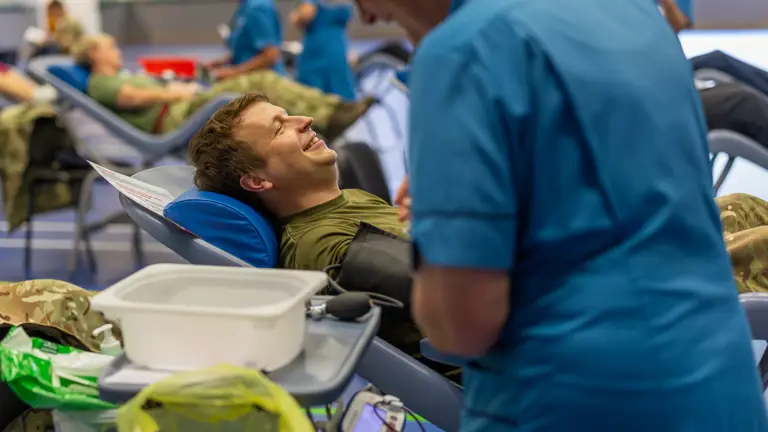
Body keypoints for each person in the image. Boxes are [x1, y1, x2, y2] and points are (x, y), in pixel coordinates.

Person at [357, 0, 766, 431]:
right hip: (719, 380)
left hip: (583, 402)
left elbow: (462, 325)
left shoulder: (465, 51)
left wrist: (433, 227)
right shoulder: (632, 11)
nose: (363, 16)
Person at [187, 92, 459, 380]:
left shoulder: (349, 200)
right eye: (280, 128)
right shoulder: (324, 245)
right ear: (257, 180)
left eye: (290, 114)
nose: (306, 120)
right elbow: (459, 296)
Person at [71, 34, 373, 142]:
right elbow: (132, 97)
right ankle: (329, 113)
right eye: (109, 47)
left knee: (259, 85)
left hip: (184, 104)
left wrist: (179, 87)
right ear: (95, 54)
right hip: (175, 116)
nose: (116, 50)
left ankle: (329, 112)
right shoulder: (102, 83)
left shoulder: (121, 73)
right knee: (260, 81)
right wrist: (177, 92)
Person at [290, 0, 357, 100]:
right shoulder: (346, 4)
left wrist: (298, 13)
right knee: (339, 89)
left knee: (312, 93)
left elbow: (302, 17)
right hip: (339, 48)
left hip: (318, 49)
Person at [203, 0, 286, 80]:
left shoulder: (258, 7)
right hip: (248, 78)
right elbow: (247, 50)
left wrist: (234, 72)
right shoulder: (245, 7)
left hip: (263, 82)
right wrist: (222, 62)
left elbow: (270, 55)